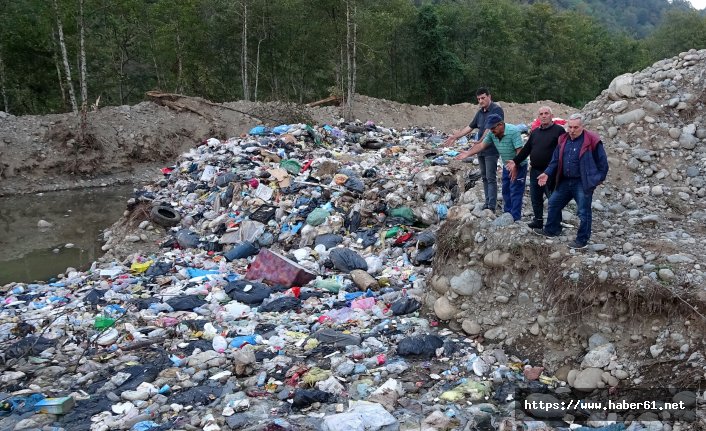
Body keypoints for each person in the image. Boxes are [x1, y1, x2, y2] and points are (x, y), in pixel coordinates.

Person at [534, 113, 609, 249]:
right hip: (565, 180)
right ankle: (552, 229)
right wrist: (547, 173)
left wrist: (596, 180)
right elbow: (555, 161)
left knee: (583, 211)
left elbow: (603, 164)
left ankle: (582, 240)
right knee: (553, 203)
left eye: (576, 127)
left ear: (582, 127)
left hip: (582, 182)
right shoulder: (563, 139)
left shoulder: (592, 140)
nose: (572, 130)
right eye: (570, 127)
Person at [454, 114, 527, 221]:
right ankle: (507, 214)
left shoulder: (514, 131)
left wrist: (515, 165)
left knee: (515, 190)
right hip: (507, 164)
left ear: (501, 125)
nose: (491, 131)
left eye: (493, 128)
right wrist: (468, 153)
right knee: (506, 189)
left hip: (519, 164)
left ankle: (515, 218)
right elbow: (482, 145)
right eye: (490, 128)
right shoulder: (492, 133)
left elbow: (520, 151)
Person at [444, 88, 504, 212]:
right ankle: (487, 202)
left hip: (491, 149)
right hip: (480, 150)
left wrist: (479, 142)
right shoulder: (480, 112)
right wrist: (456, 136)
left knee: (491, 177)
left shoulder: (496, 110)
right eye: (478, 99)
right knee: (484, 176)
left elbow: (489, 130)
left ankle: (491, 205)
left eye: (483, 98)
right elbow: (470, 127)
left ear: (489, 96)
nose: (481, 101)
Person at [505, 106, 566, 229]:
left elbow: (564, 150)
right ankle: (538, 220)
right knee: (535, 198)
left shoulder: (559, 131)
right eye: (541, 114)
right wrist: (515, 162)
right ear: (538, 117)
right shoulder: (535, 132)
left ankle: (555, 225)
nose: (543, 116)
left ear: (551, 115)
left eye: (546, 113)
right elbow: (526, 149)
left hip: (551, 171)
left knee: (553, 199)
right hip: (535, 170)